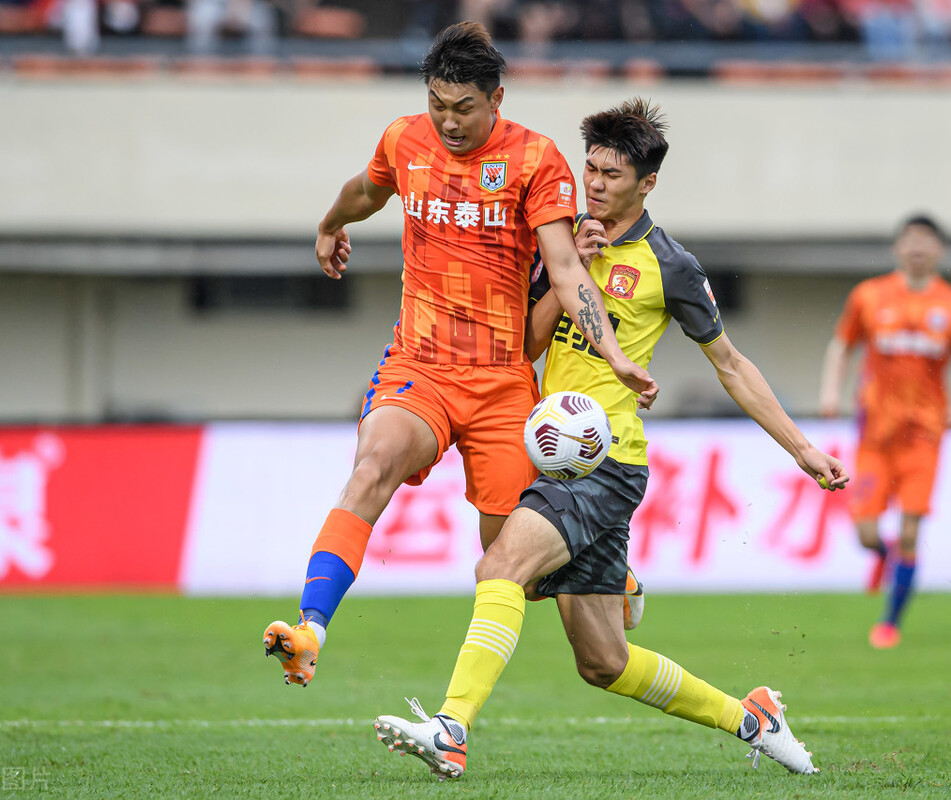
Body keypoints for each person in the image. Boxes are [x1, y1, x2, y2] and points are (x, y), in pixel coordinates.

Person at [371, 98, 848, 780]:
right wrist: (563, 278)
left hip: (606, 459)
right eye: (589, 168)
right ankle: (752, 717)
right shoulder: (556, 244)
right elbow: (523, 349)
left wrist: (802, 449)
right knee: (603, 662)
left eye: (612, 175)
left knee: (498, 568)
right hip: (552, 456)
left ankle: (451, 728)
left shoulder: (670, 266)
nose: (593, 184)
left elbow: (731, 365)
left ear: (647, 183)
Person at [263, 22, 657, 688]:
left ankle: (605, 567)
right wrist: (331, 224)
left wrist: (613, 355)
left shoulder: (536, 159)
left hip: (502, 383)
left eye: (463, 108)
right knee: (374, 463)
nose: (447, 121)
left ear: (496, 98)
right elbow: (367, 188)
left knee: (510, 565)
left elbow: (564, 268)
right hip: (418, 365)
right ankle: (310, 630)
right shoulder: (403, 139)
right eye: (437, 105)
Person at [819, 213, 951, 649]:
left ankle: (890, 622)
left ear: (939, 251)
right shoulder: (869, 296)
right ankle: (885, 558)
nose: (917, 248)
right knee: (866, 533)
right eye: (910, 240)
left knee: (911, 530)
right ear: (898, 248)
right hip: (875, 434)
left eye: (926, 241)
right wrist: (831, 392)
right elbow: (843, 344)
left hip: (924, 435)